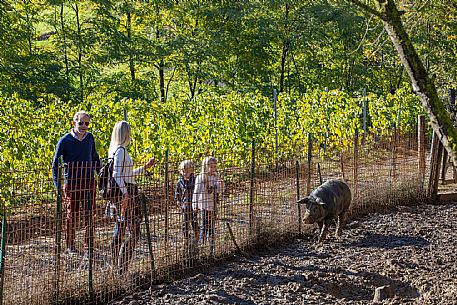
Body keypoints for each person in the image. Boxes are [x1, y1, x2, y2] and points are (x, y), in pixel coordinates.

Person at [108, 120, 155, 274]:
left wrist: (144, 168)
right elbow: (116, 174)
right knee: (133, 232)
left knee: (121, 227)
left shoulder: (115, 149)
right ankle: (121, 268)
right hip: (126, 194)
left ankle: (116, 266)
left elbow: (127, 174)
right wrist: (126, 192)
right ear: (126, 133)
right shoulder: (120, 150)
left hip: (124, 191)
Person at [52, 110, 100, 254]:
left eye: (87, 123)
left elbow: (95, 157)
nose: (84, 126)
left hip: (89, 182)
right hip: (72, 184)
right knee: (71, 215)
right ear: (74, 123)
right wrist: (58, 186)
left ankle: (88, 246)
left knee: (90, 214)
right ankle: (70, 246)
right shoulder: (65, 140)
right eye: (81, 123)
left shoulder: (90, 138)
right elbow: (55, 165)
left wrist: (102, 175)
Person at [192, 156, 223, 256]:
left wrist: (221, 185)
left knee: (211, 226)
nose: (213, 169)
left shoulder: (215, 177)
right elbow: (196, 192)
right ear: (205, 167)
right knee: (204, 226)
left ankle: (211, 246)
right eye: (210, 166)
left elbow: (219, 191)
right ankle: (202, 245)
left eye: (214, 166)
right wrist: (195, 204)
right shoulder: (201, 178)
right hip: (204, 205)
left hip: (212, 205)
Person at [174, 160, 198, 245]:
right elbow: (177, 192)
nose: (185, 173)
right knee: (185, 223)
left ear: (192, 171)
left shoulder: (195, 180)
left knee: (194, 221)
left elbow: (197, 191)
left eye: (187, 171)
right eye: (183, 172)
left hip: (193, 205)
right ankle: (186, 238)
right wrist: (177, 200)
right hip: (184, 205)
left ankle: (196, 236)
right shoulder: (180, 182)